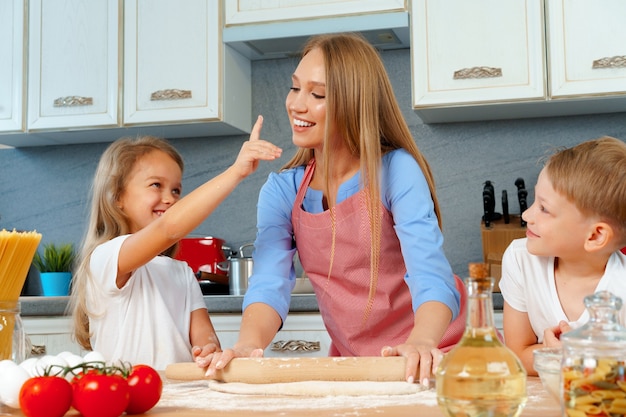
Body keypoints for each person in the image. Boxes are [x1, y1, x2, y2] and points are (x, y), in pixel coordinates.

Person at [202, 33, 466, 387]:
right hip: (355, 364)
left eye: (318, 94)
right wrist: (248, 344)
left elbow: (429, 273)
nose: (297, 105)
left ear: (355, 103)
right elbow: (269, 283)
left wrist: (422, 342)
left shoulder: (396, 171)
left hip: (435, 353)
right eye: (295, 88)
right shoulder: (282, 191)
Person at [69, 117, 282, 370]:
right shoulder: (106, 258)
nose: (169, 198)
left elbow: (204, 336)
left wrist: (208, 348)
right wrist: (236, 171)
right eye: (156, 185)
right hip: (127, 400)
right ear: (117, 197)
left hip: (177, 399)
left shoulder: (181, 272)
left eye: (176, 190)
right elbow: (169, 228)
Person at [499, 136, 626, 375]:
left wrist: (587, 358)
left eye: (544, 208)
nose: (527, 215)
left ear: (595, 236)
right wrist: (551, 356)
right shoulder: (520, 259)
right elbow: (516, 354)